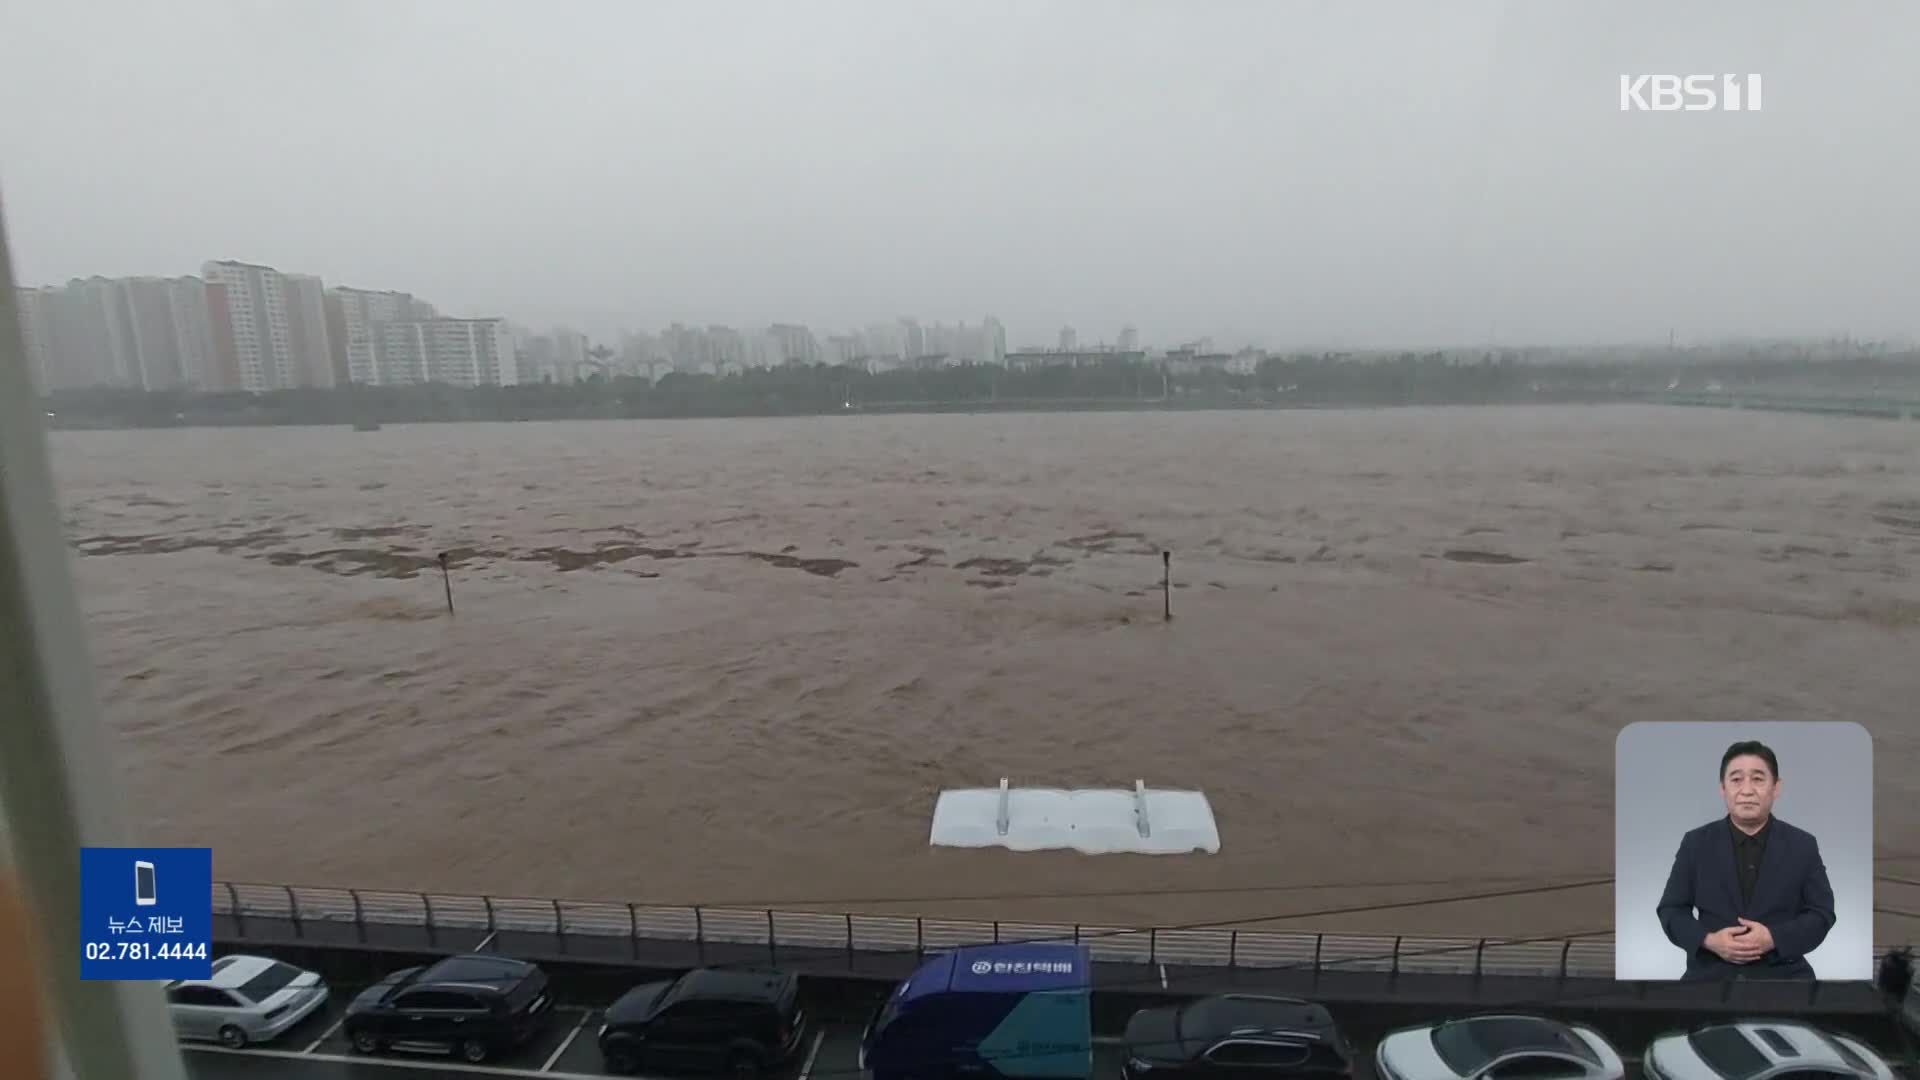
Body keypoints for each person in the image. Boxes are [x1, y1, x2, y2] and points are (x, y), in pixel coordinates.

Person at [1656, 740, 1834, 979]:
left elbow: (1822, 913)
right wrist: (1709, 941)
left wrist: (1773, 938)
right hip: (1708, 978)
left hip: (1785, 977)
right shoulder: (1696, 843)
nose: (1747, 790)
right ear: (1723, 788)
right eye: (1736, 779)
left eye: (1758, 779)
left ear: (1776, 787)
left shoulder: (1802, 845)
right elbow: (1671, 910)